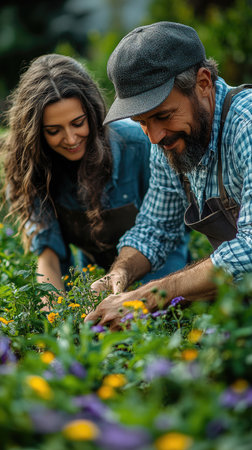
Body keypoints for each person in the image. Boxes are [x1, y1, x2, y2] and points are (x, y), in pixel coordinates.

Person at [86, 21, 252, 329]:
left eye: (163, 115)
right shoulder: (170, 141)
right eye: (142, 122)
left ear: (203, 83)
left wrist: (146, 298)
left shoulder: (246, 127)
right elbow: (155, 229)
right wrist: (120, 273)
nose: (153, 135)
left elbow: (250, 249)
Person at [2, 53, 189, 299]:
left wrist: (137, 297)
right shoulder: (33, 170)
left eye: (78, 123)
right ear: (35, 133)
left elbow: (167, 230)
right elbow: (48, 255)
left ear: (93, 114)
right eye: (54, 131)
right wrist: (55, 314)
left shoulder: (140, 145)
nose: (70, 139)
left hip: (160, 276)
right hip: (92, 282)